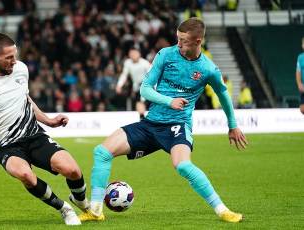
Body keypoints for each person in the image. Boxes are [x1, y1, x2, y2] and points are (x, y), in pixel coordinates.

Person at [79, 18, 248, 223]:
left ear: (197, 41)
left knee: (183, 166)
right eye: (177, 38)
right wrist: (170, 101)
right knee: (102, 152)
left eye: (183, 40)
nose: (178, 43)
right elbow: (145, 89)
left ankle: (222, 210)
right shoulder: (165, 55)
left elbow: (223, 96)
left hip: (177, 126)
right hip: (150, 124)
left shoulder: (208, 69)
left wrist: (232, 125)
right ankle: (95, 210)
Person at [0, 33, 89, 225]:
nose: (14, 61)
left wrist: (49, 121)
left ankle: (82, 203)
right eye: (9, 57)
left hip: (34, 134)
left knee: (72, 170)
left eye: (15, 55)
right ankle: (64, 208)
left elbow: (25, 100)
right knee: (26, 175)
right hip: (6, 146)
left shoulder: (21, 69)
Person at [115, 48, 151, 118]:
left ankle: (144, 118)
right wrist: (119, 85)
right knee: (138, 103)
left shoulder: (145, 63)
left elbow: (153, 75)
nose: (133, 55)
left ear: (139, 54)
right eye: (131, 54)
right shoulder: (128, 63)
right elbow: (124, 75)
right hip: (136, 86)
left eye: (134, 53)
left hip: (147, 86)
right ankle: (142, 118)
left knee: (142, 102)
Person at [296, 37, 304, 114]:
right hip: (303, 86)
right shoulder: (300, 57)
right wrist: (299, 83)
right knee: (302, 109)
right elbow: (298, 71)